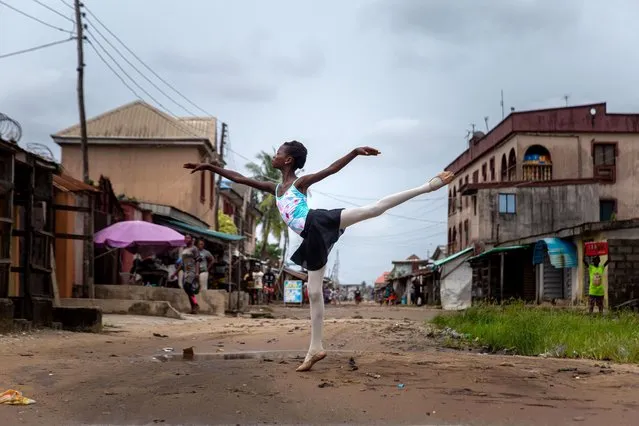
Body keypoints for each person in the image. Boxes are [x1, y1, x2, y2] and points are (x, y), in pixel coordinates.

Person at [185, 141, 453, 371]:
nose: (274, 156)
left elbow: (330, 170)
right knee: (313, 292)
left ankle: (428, 186)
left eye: (278, 152)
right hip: (311, 237)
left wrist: (354, 152)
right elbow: (240, 178)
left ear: (288, 160)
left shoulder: (299, 183)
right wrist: (209, 167)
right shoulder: (273, 188)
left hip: (318, 221)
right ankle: (316, 348)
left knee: (372, 210)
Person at [172, 234, 200, 314]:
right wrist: (175, 273)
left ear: (191, 239)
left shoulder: (194, 249)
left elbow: (197, 261)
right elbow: (182, 263)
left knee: (186, 286)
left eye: (188, 237)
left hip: (192, 270)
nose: (186, 239)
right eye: (185, 237)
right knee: (188, 289)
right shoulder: (184, 249)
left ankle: (195, 304)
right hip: (186, 271)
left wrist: (197, 272)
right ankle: (194, 308)